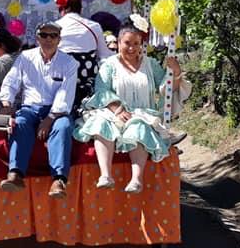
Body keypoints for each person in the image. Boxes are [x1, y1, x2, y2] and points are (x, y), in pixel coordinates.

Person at [73, 16, 191, 193]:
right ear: (119, 42)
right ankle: (106, 175)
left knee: (139, 126)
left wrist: (175, 72)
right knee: (100, 123)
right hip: (114, 111)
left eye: (136, 43)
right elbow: (102, 90)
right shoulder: (109, 65)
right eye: (127, 43)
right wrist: (117, 108)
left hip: (142, 112)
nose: (131, 48)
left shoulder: (150, 65)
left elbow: (165, 89)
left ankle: (136, 179)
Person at [0, 21, 79, 198]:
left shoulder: (70, 62)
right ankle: (16, 173)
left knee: (63, 127)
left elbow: (65, 95)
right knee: (20, 122)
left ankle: (59, 180)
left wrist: (49, 119)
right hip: (30, 108)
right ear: (37, 37)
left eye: (53, 35)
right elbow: (10, 83)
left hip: (57, 112)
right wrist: (6, 103)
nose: (48, 39)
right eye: (44, 35)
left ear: (59, 39)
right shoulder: (25, 57)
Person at [55, 0, 113, 115]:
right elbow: (104, 55)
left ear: (63, 8)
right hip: (87, 79)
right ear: (80, 9)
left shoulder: (54, 27)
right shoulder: (94, 26)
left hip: (60, 79)